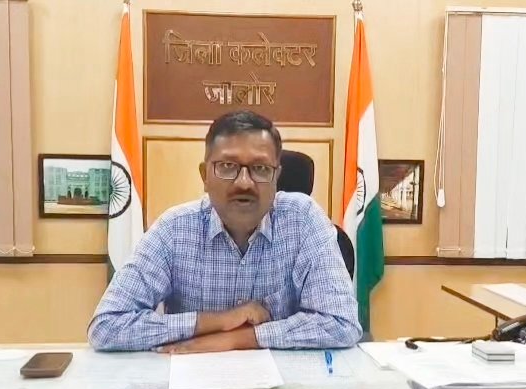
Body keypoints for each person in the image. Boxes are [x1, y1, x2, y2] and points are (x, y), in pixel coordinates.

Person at [88, 110, 362, 353]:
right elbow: (106, 327)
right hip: (193, 383)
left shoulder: (303, 220)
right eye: (228, 166)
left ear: (276, 178)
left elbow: (341, 323)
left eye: (260, 169)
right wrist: (219, 321)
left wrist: (238, 339)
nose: (244, 183)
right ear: (205, 176)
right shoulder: (174, 229)